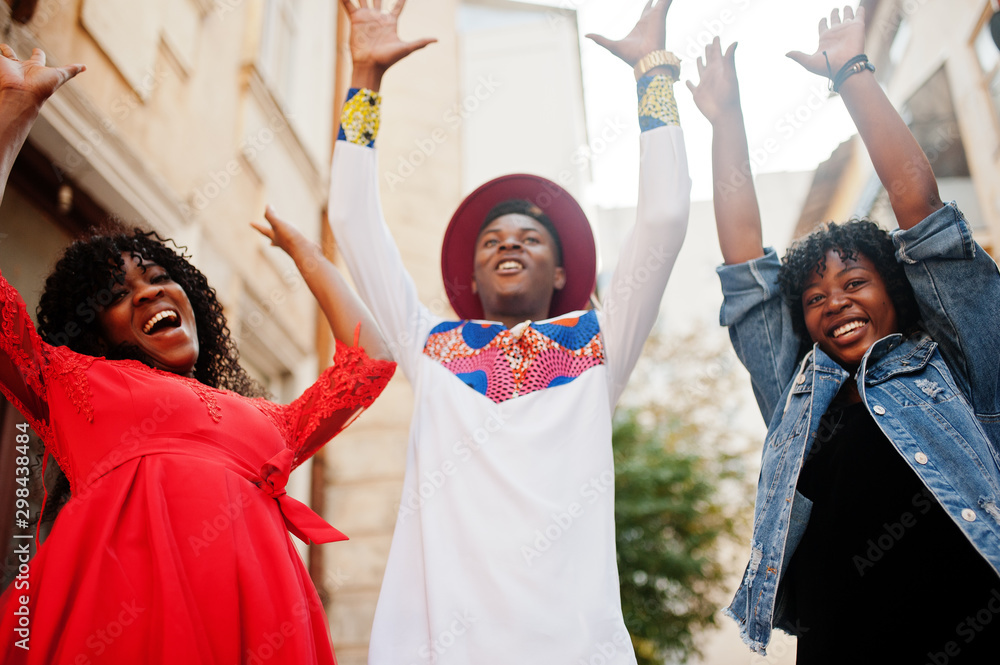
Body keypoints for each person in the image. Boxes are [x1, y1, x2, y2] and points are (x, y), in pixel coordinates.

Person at [0, 45, 396, 664]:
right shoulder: (73, 380)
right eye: (116, 292)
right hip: (120, 623)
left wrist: (308, 256)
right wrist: (17, 118)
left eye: (158, 274)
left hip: (259, 622)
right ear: (95, 330)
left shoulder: (266, 420)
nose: (149, 289)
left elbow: (372, 359)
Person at [327, 0, 691, 661]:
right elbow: (351, 219)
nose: (509, 244)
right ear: (472, 273)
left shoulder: (598, 343)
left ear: (560, 273)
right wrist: (364, 78)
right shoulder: (429, 345)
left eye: (530, 237)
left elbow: (664, 219)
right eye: (492, 239)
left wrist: (650, 73)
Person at [688, 7, 1000, 662]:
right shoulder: (801, 397)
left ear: (896, 289)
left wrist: (853, 74)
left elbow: (923, 212)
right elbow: (746, 270)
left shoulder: (957, 362)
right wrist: (726, 122)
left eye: (855, 283)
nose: (835, 302)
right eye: (814, 297)